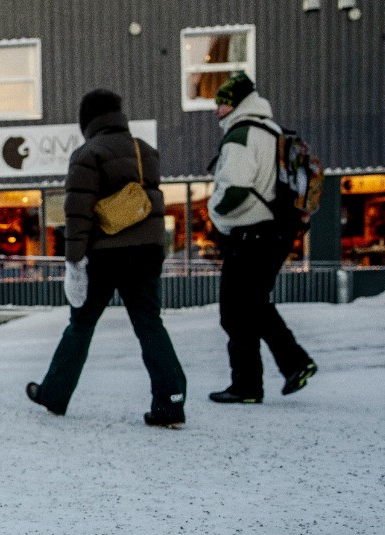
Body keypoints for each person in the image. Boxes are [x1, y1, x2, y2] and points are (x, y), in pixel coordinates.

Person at [26, 89, 187, 427]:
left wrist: (74, 262)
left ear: (87, 121)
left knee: (80, 326)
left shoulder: (88, 153)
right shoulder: (146, 152)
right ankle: (170, 401)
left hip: (104, 255)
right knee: (149, 324)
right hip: (145, 253)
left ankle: (54, 394)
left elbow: (78, 214)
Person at [206, 72, 317, 404]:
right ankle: (278, 371)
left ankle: (253, 382)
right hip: (278, 231)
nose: (217, 110)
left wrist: (216, 215)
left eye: (223, 103)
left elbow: (235, 190)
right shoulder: (273, 131)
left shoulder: (241, 135)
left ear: (238, 103)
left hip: (251, 233)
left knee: (235, 309)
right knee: (253, 304)